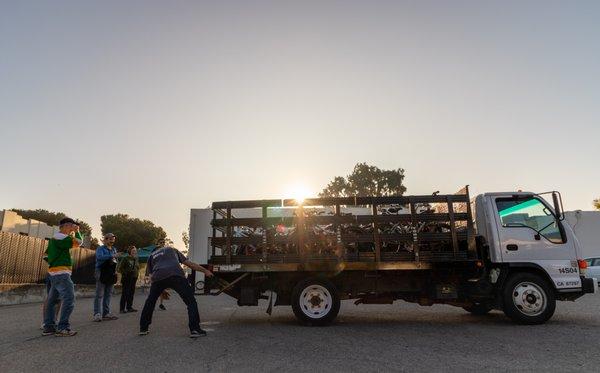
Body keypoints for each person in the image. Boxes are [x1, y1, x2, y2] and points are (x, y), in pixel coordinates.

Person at [139, 242, 213, 338]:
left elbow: (151, 277)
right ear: (161, 248)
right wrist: (205, 270)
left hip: (158, 278)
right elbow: (189, 264)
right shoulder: (171, 249)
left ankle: (143, 328)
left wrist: (160, 289)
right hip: (176, 275)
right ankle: (195, 329)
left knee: (150, 302)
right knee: (191, 302)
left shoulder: (151, 256)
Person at [42, 217, 83, 337]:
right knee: (69, 298)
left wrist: (52, 263)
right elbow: (79, 242)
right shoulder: (61, 237)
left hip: (54, 273)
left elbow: (45, 255)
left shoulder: (55, 238)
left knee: (52, 300)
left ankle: (48, 327)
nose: (73, 229)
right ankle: (63, 327)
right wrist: (77, 231)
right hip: (61, 272)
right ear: (65, 226)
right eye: (72, 226)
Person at [93, 233, 120, 322]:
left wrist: (116, 271)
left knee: (108, 294)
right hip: (101, 271)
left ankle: (106, 313)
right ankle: (97, 314)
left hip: (111, 272)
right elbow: (99, 257)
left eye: (113, 240)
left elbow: (116, 260)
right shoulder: (100, 249)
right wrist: (111, 256)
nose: (112, 241)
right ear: (106, 239)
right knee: (99, 294)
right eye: (111, 239)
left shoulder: (114, 249)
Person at [117, 245, 140, 313]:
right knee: (125, 293)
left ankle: (129, 307)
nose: (134, 252)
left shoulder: (136, 258)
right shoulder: (125, 258)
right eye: (133, 251)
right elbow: (119, 269)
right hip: (127, 278)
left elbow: (137, 267)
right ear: (129, 251)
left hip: (134, 278)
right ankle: (122, 309)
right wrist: (126, 272)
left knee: (131, 293)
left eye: (135, 251)